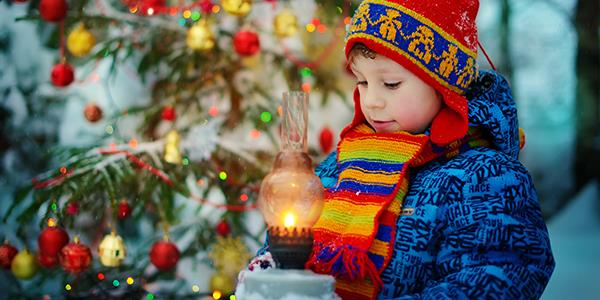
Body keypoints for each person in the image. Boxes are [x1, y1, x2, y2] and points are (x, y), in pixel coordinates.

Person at [252, 0, 554, 299]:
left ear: (444, 87)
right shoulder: (340, 166)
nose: (372, 101)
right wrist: (266, 278)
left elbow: (496, 277)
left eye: (391, 84)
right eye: (362, 82)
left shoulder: (485, 177)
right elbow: (286, 245)